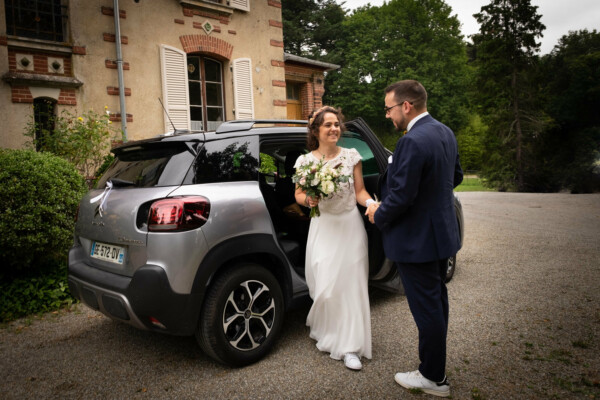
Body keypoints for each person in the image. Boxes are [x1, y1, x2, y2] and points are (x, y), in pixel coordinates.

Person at [365, 80, 463, 397]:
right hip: (440, 235)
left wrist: (378, 213)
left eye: (389, 109)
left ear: (406, 106)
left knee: (426, 308)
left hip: (417, 241)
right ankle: (436, 370)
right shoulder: (444, 132)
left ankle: (433, 377)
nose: (388, 116)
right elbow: (455, 176)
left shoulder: (411, 141)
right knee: (436, 303)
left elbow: (402, 195)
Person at [294, 106, 377, 371]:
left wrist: (372, 205)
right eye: (328, 124)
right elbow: (298, 194)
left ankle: (350, 346)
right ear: (316, 130)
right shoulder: (306, 162)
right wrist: (308, 199)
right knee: (327, 288)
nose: (334, 129)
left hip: (350, 226)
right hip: (324, 227)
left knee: (350, 286)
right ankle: (329, 330)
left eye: (337, 124)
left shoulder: (352, 156)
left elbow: (361, 191)